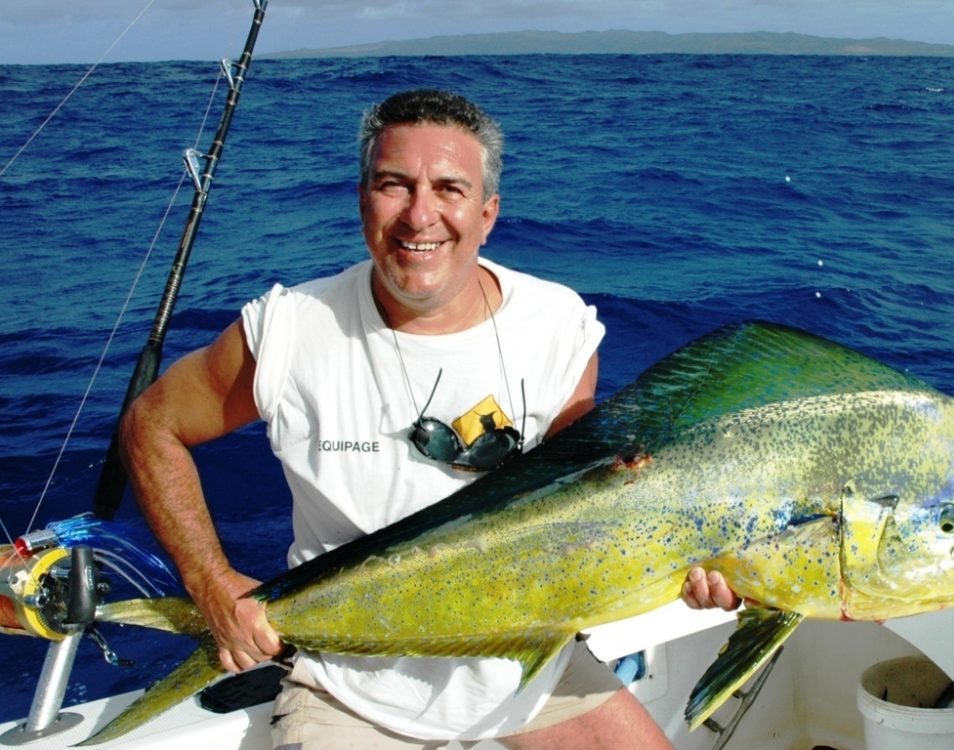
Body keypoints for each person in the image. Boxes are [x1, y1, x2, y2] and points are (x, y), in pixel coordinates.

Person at [120, 89, 738, 750]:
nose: (421, 216)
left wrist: (701, 565)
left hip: (526, 666)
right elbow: (150, 425)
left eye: (450, 188)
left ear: (487, 212)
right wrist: (211, 583)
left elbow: (588, 515)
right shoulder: (288, 330)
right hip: (352, 686)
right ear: (363, 198)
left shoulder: (557, 327)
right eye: (394, 185)